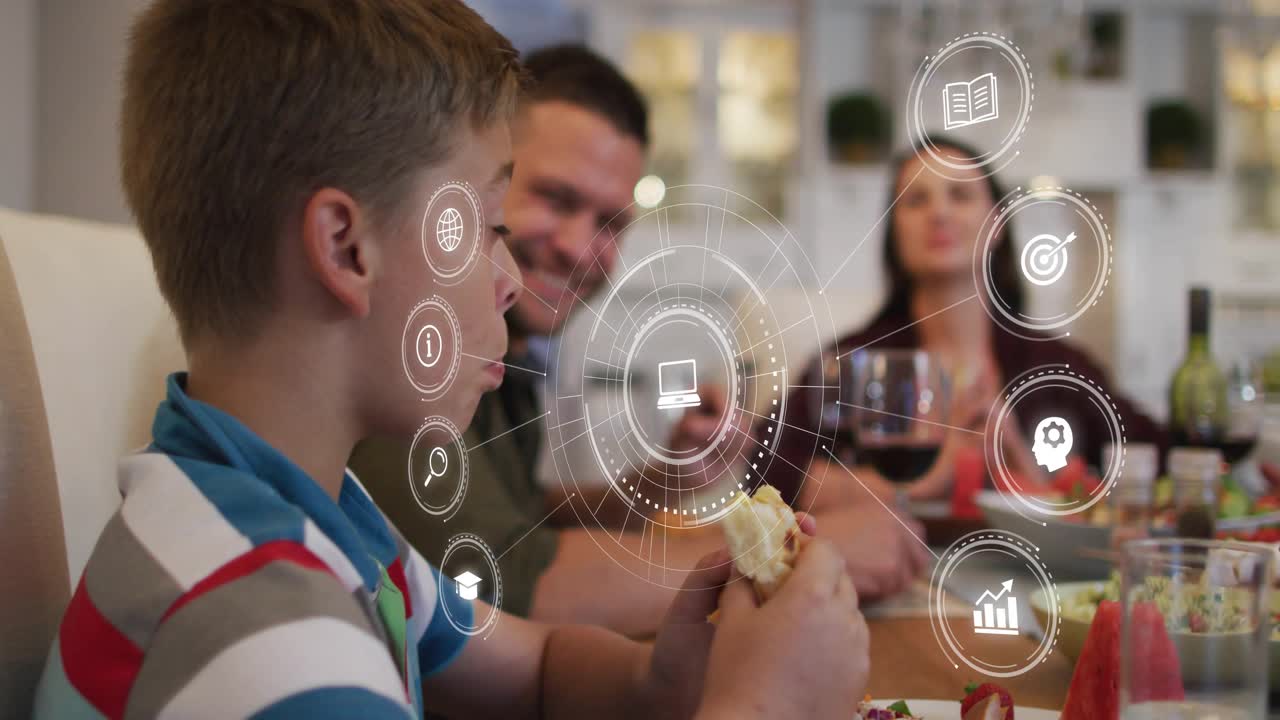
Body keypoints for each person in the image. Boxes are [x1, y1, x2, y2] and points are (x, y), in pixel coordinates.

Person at [32, 3, 869, 718]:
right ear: (346, 248)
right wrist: (763, 703)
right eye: (486, 226)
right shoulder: (273, 645)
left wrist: (661, 680)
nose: (506, 278)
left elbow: (538, 666)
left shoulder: (332, 515)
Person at [351, 44, 928, 637]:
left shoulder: (504, 353)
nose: (578, 248)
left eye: (611, 223)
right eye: (556, 199)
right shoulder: (415, 348)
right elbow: (502, 582)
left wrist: (659, 482)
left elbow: (523, 517)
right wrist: (800, 548)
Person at [769, 137, 1165, 510]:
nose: (939, 213)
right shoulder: (852, 362)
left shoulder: (1058, 367)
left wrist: (1022, 462)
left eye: (960, 195)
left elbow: (1161, 456)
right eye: (916, 200)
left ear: (997, 225)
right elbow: (766, 462)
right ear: (894, 234)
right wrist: (923, 485)